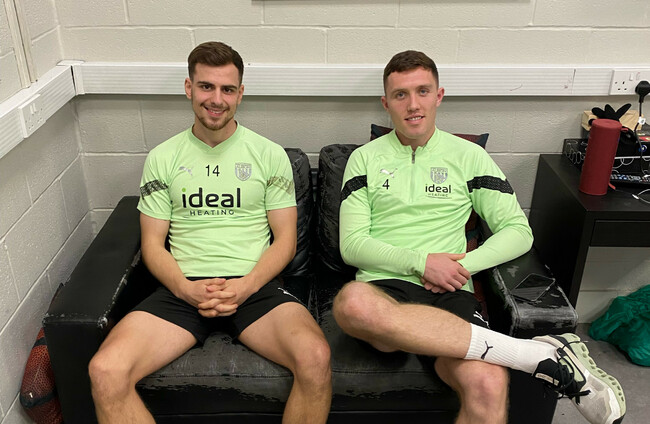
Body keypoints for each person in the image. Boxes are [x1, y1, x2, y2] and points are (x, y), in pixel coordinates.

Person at [332, 50, 625, 424]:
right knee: (352, 303)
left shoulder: (469, 156)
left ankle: (529, 355)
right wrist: (422, 263)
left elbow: (518, 231)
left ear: (439, 96)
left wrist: (462, 267)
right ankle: (533, 355)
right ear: (386, 103)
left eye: (422, 91)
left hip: (449, 290)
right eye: (400, 95)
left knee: (488, 383)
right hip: (383, 288)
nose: (413, 104)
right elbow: (352, 245)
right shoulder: (364, 159)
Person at [88, 41, 332, 423]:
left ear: (240, 93)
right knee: (105, 371)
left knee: (315, 357)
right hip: (183, 288)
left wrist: (245, 286)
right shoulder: (163, 158)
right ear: (189, 88)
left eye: (227, 89)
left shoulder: (269, 155)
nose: (217, 99)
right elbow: (152, 245)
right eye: (206, 87)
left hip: (253, 287)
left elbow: (285, 241)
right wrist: (186, 289)